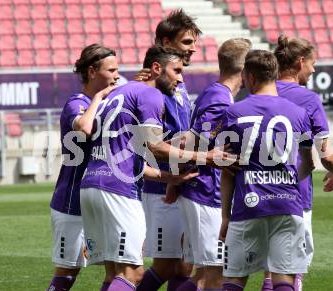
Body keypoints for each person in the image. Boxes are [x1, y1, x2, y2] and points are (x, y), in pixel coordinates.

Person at [79, 46, 234, 291]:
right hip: (117, 190)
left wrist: (170, 177)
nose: (181, 78)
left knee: (115, 275)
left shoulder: (120, 92)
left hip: (91, 185)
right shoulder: (149, 95)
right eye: (177, 71)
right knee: (133, 274)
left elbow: (136, 152)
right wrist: (204, 156)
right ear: (156, 68)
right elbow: (156, 147)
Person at [218, 50, 315, 291]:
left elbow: (227, 169)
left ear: (249, 77)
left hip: (248, 205)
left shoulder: (233, 113)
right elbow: (309, 163)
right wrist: (289, 180)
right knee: (283, 278)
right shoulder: (299, 114)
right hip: (287, 204)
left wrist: (225, 216)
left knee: (235, 278)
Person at [160, 38, 251, 291]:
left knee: (203, 274)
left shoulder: (214, 93)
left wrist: (175, 181)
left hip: (201, 190)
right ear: (244, 69)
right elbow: (192, 140)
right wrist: (175, 180)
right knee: (213, 274)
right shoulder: (220, 98)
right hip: (205, 191)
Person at [260, 34, 333, 291]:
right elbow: (325, 152)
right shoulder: (308, 99)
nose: (314, 69)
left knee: (270, 272)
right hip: (295, 192)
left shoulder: (259, 91)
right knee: (292, 271)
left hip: (259, 189)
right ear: (300, 62)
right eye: (312, 63)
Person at [137, 9, 202, 291]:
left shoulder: (178, 84)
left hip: (179, 180)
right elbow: (150, 140)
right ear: (165, 42)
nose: (193, 48)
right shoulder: (151, 85)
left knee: (184, 265)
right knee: (165, 265)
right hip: (161, 186)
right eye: (186, 42)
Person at [47, 44, 119, 291]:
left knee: (118, 269)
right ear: (92, 72)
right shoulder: (76, 103)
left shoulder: (109, 104)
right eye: (111, 70)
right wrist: (99, 97)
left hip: (98, 201)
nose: (117, 75)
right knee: (68, 272)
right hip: (71, 203)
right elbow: (85, 127)